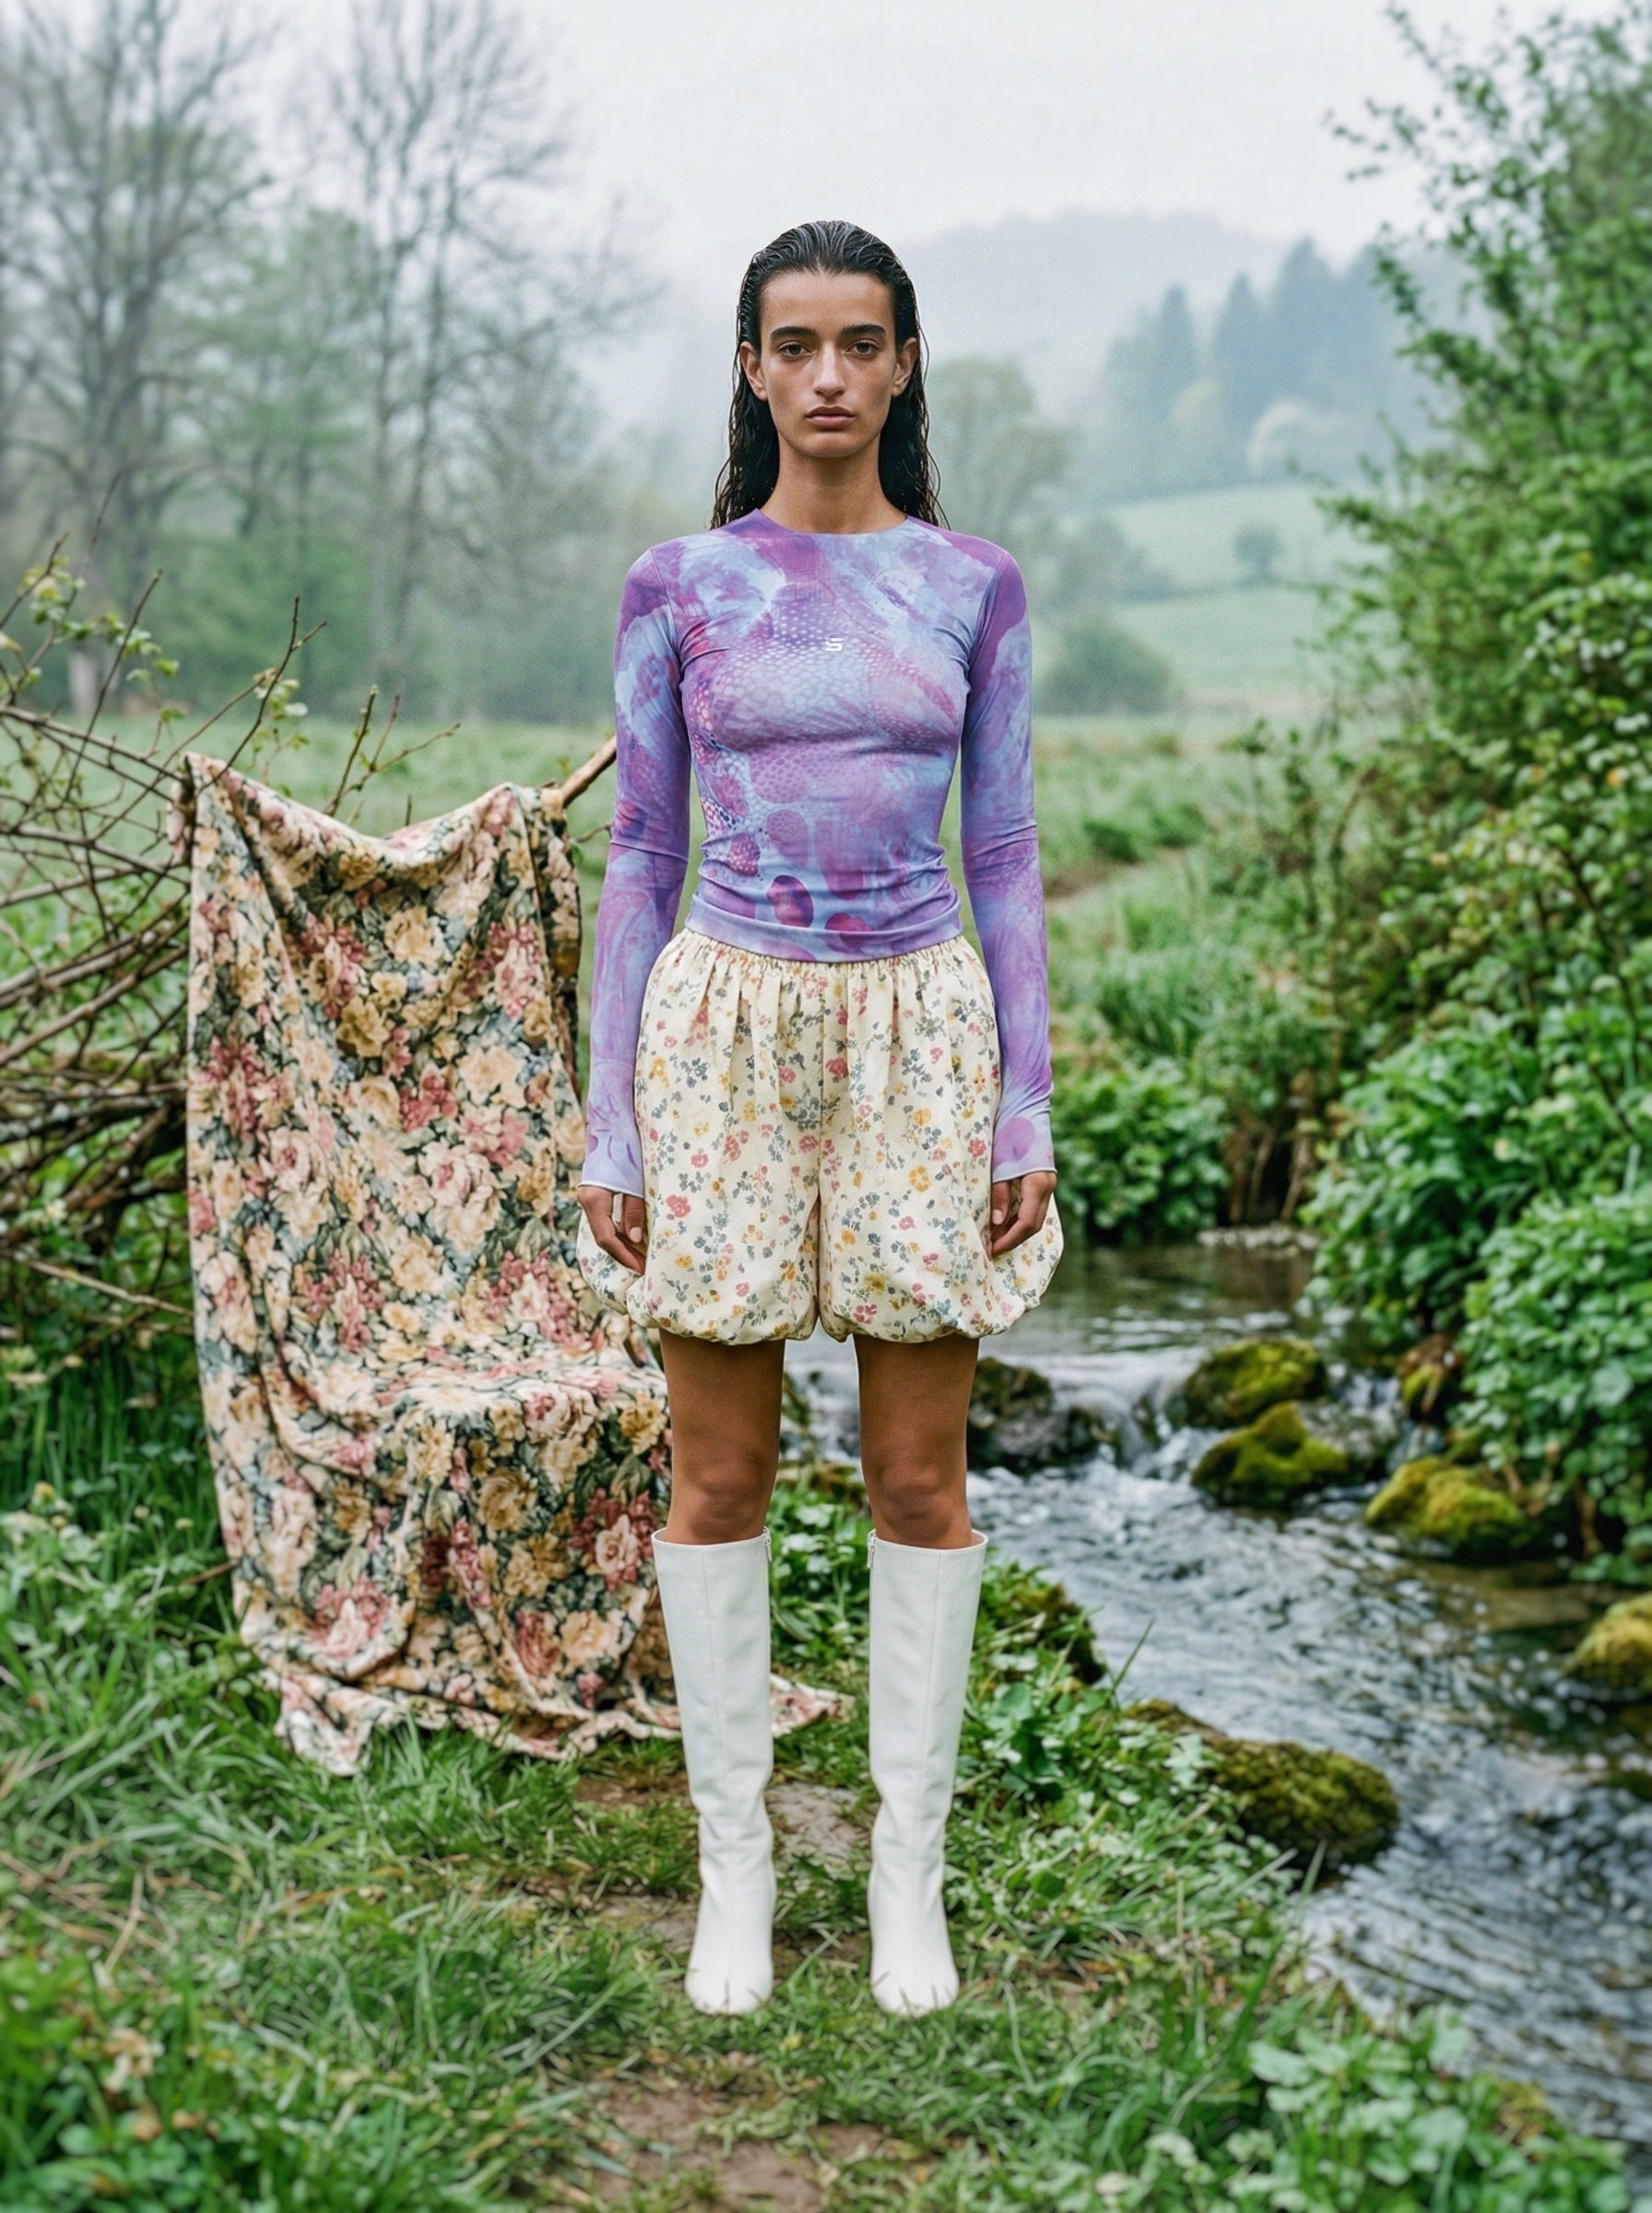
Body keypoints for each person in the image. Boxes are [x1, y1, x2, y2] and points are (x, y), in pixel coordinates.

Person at [575, 219, 1060, 2018]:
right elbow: (637, 852)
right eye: (796, 344)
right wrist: (609, 1120)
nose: (831, 375)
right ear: (753, 368)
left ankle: (903, 1890)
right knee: (719, 1468)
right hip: (719, 1030)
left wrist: (1024, 1098)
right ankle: (737, 1879)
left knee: (917, 1473)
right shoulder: (679, 588)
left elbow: (999, 848)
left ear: (903, 365)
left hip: (921, 1029)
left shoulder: (972, 587)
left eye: (863, 342)